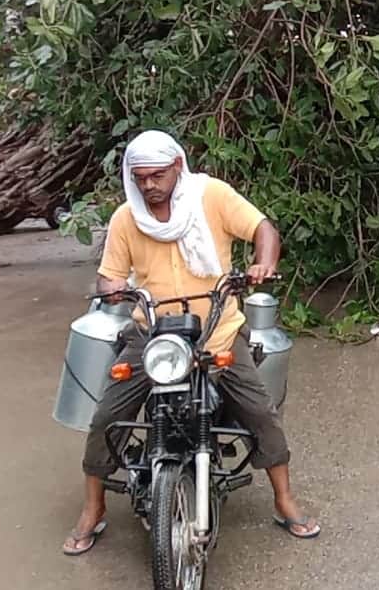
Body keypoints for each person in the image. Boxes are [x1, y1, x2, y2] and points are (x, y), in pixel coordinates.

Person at [63, 130, 320, 555]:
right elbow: (111, 273)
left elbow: (263, 228)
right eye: (141, 177)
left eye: (157, 175)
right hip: (153, 337)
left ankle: (284, 499)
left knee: (260, 411)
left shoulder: (212, 196)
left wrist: (263, 263)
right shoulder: (127, 219)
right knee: (106, 416)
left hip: (217, 328)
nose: (149, 185)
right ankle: (93, 508)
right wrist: (112, 288)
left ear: (178, 167)